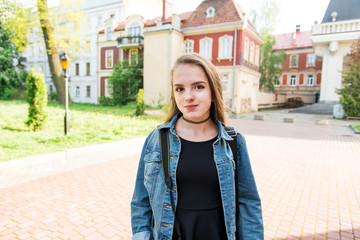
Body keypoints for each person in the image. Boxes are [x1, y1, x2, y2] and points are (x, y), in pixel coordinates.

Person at [131, 53, 263, 240]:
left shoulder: (234, 142)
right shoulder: (158, 139)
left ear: (213, 91)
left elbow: (249, 203)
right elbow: (140, 201)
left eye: (198, 87)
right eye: (180, 89)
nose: (188, 97)